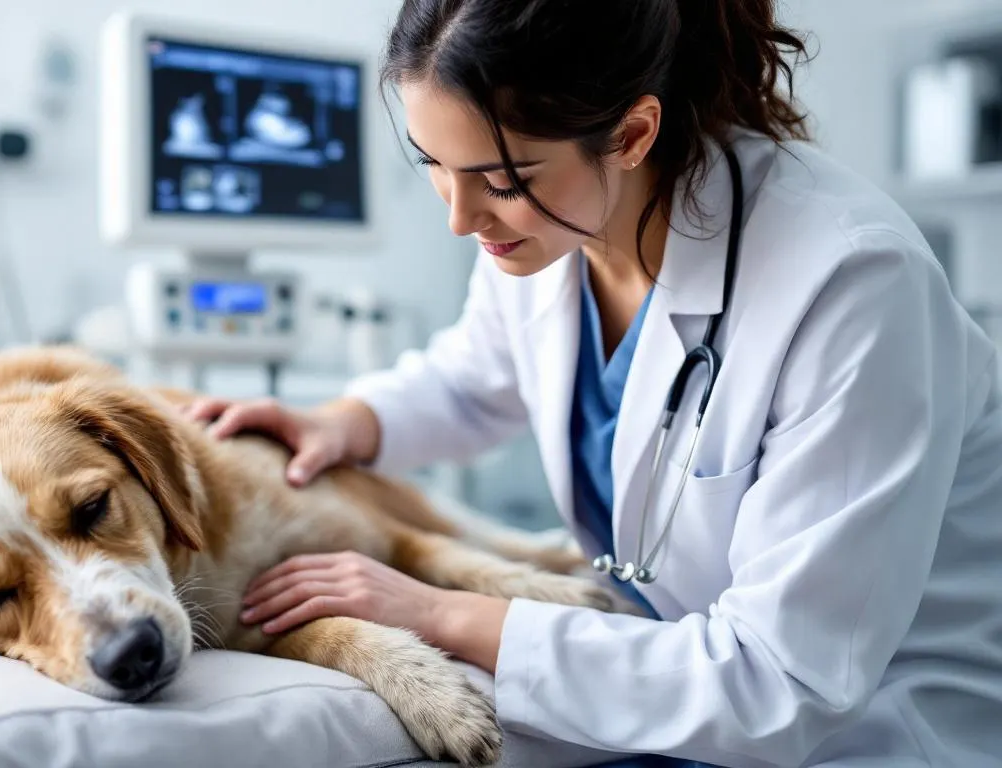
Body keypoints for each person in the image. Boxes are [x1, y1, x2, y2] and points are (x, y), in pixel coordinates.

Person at [185, 1, 1002, 765]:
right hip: (655, 686)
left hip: (860, 732)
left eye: (502, 180)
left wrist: (440, 613)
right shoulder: (549, 233)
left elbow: (781, 683)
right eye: (435, 163)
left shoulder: (851, 283)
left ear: (632, 133)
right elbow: (474, 377)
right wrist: (344, 421)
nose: (461, 218)